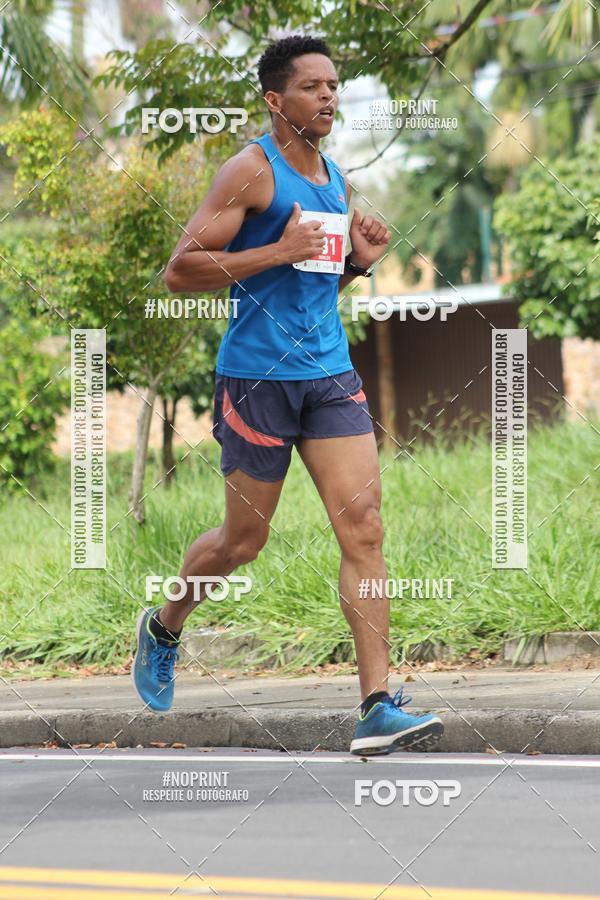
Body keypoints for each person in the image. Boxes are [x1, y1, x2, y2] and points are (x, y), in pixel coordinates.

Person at [132, 34, 444, 755]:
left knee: (364, 526)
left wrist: (359, 265)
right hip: (257, 379)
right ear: (276, 100)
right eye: (313, 87)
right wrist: (279, 248)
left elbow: (313, 285)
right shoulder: (250, 172)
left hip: (329, 374)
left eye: (334, 85)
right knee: (244, 541)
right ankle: (165, 624)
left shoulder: (333, 176)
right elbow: (181, 271)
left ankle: (375, 706)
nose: (330, 96)